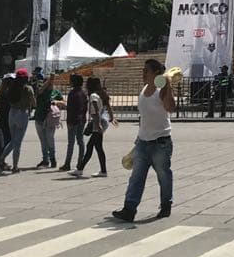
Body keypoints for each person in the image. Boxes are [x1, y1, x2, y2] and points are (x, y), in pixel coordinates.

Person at [113, 59, 176, 222]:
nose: (143, 73)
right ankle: (129, 209)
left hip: (160, 142)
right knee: (136, 177)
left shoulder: (161, 89)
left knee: (163, 175)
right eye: (143, 70)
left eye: (146, 70)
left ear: (156, 73)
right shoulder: (144, 90)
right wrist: (138, 138)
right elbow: (144, 118)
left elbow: (171, 108)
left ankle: (166, 205)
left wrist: (168, 86)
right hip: (143, 141)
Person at [74, 76, 114, 177]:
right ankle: (101, 171)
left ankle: (80, 169)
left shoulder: (93, 95)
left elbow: (95, 110)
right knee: (97, 147)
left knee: (92, 146)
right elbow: (108, 106)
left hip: (98, 122)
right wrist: (111, 117)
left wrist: (98, 124)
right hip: (103, 121)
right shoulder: (102, 93)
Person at [0, 68, 35, 172]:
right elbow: (34, 102)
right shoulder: (28, 89)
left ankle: (1, 160)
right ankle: (15, 166)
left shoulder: (11, 88)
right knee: (17, 142)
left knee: (13, 140)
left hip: (12, 113)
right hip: (22, 114)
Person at [60, 73, 87, 171]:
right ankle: (80, 163)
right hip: (82, 120)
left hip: (73, 120)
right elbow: (85, 108)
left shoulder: (72, 93)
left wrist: (70, 122)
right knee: (81, 141)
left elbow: (71, 109)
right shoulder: (83, 93)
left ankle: (67, 164)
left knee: (71, 142)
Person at [33, 75, 61, 168]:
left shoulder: (55, 92)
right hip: (39, 118)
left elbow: (63, 102)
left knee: (50, 139)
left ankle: (52, 159)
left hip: (50, 119)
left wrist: (56, 102)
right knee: (43, 141)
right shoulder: (41, 92)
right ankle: (45, 160)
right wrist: (50, 80)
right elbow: (40, 91)